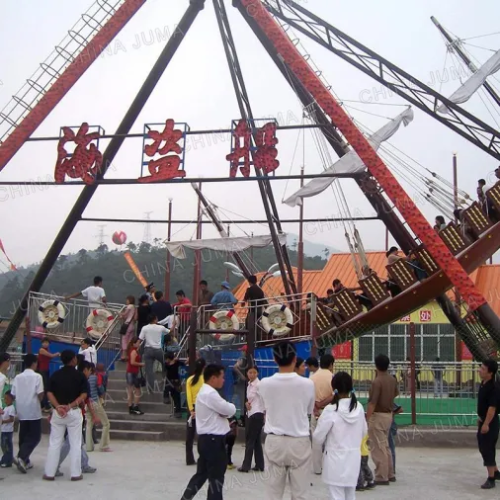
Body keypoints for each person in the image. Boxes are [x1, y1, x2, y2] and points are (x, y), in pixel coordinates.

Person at [258, 341, 315, 500]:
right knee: (300, 494)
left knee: (273, 494)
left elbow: (264, 407)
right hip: (299, 441)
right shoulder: (308, 384)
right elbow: (309, 410)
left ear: (275, 359)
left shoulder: (264, 383)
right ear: (295, 359)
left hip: (274, 440)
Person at [180, 364, 236, 500]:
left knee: (201, 474)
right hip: (214, 441)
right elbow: (230, 410)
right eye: (222, 377)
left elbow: (222, 412)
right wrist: (227, 410)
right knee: (216, 478)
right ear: (213, 378)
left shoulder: (205, 392)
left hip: (206, 440)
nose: (223, 380)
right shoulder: (210, 394)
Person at [313, 372, 367, 500]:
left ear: (334, 388)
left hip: (334, 461)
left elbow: (317, 437)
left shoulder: (330, 410)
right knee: (350, 495)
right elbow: (364, 431)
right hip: (353, 459)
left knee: (335, 495)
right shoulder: (358, 408)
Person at [43, 350, 89, 481]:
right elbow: (84, 395)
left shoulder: (55, 375)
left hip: (58, 413)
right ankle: (75, 473)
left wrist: (57, 406)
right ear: (74, 359)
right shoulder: (80, 376)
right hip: (73, 411)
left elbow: (49, 393)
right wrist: (70, 406)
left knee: (54, 443)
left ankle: (50, 473)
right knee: (75, 443)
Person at [366, 354, 399, 485]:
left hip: (378, 415)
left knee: (378, 447)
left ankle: (381, 475)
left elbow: (372, 403)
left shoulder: (377, 381)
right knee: (385, 446)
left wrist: (367, 417)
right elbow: (396, 393)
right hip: (388, 415)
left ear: (376, 365)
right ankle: (390, 473)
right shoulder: (392, 379)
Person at [11, 353, 44, 473]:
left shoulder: (18, 377)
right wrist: (41, 402)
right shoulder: (37, 377)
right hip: (33, 409)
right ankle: (21, 456)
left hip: (21, 409)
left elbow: (13, 394)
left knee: (23, 435)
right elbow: (40, 393)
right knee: (35, 436)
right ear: (34, 363)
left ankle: (26, 461)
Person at [477, 359, 500, 489]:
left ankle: (491, 478)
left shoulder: (493, 388)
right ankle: (495, 472)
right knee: (484, 447)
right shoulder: (483, 383)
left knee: (487, 449)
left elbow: (492, 408)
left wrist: (486, 424)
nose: (480, 370)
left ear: (490, 373)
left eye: (483, 369)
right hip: (484, 420)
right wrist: (480, 419)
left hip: (490, 423)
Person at [311, 354, 335, 475]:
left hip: (314, 411)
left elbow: (309, 396)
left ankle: (316, 468)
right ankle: (328, 466)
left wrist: (315, 406)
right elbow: (333, 395)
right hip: (327, 411)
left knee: (315, 439)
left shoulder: (313, 377)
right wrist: (321, 404)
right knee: (329, 440)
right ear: (331, 364)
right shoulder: (332, 377)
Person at [239, 365, 265, 473]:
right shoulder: (249, 384)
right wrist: (246, 403)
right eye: (250, 372)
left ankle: (246, 466)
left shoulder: (259, 385)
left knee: (250, 440)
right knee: (256, 441)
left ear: (257, 373)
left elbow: (264, 399)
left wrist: (264, 413)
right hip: (251, 413)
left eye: (254, 372)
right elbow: (249, 399)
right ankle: (260, 464)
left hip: (257, 414)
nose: (252, 374)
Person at [139, 313, 171, 392]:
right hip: (158, 350)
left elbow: (140, 339)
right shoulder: (160, 327)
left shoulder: (144, 328)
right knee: (166, 364)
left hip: (148, 350)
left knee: (149, 370)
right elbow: (170, 331)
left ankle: (150, 388)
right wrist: (173, 325)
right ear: (155, 319)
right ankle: (165, 379)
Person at [85, 364, 111, 453]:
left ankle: (88, 446)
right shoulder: (97, 377)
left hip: (87, 403)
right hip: (95, 402)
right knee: (106, 423)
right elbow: (101, 389)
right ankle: (104, 445)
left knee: (89, 424)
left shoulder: (86, 378)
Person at [186, 358, 207, 466]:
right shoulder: (205, 380)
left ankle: (189, 458)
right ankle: (203, 457)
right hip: (203, 407)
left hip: (193, 407)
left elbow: (189, 396)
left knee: (190, 435)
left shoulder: (190, 380)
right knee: (203, 434)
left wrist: (191, 410)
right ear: (204, 368)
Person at [37, 337, 60, 412]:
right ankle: (45, 405)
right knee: (45, 388)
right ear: (42, 343)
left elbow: (49, 357)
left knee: (45, 387)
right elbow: (51, 356)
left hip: (46, 370)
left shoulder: (46, 350)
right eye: (44, 342)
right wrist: (56, 354)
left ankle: (43, 405)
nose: (46, 344)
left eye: (47, 343)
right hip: (42, 370)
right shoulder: (41, 350)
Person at [126, 338, 145, 415]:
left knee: (131, 391)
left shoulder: (133, 350)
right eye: (138, 342)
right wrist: (141, 364)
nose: (139, 344)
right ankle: (135, 406)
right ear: (134, 343)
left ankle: (131, 407)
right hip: (133, 372)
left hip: (131, 372)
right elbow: (132, 362)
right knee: (137, 390)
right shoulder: (133, 351)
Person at [164, 352, 185, 417]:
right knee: (167, 389)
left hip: (176, 381)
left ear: (169, 358)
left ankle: (178, 412)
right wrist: (171, 362)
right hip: (169, 381)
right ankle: (166, 398)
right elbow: (166, 368)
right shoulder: (166, 364)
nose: (165, 360)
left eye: (166, 359)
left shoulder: (177, 363)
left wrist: (177, 360)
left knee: (177, 397)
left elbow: (183, 365)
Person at [0, 391, 16, 468]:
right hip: (3, 430)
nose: (5, 400)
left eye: (7, 399)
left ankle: (8, 461)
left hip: (8, 431)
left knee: (7, 446)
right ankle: (4, 459)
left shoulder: (11, 408)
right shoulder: (6, 407)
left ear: (12, 399)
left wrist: (3, 421)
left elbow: (11, 419)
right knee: (3, 445)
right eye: (4, 398)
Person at [232, 346, 248, 417]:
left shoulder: (245, 359)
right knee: (242, 401)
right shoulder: (242, 359)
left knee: (243, 402)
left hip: (243, 384)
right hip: (242, 384)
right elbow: (235, 367)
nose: (242, 352)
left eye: (243, 351)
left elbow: (235, 367)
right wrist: (242, 376)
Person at [120, 295, 137, 362]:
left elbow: (125, 314)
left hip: (127, 325)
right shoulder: (135, 308)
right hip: (132, 325)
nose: (126, 301)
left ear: (129, 300)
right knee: (130, 340)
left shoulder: (129, 306)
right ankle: (129, 355)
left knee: (124, 340)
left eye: (127, 300)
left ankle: (124, 355)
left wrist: (120, 314)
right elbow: (135, 318)